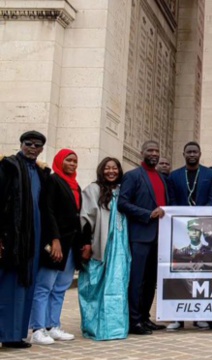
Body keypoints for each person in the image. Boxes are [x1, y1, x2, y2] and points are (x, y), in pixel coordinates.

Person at [0, 131, 51, 349]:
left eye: (37, 145)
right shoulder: (8, 167)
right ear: (21, 144)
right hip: (12, 236)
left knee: (26, 284)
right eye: (28, 144)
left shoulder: (41, 173)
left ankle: (15, 335)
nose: (32, 147)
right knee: (8, 284)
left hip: (34, 237)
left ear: (41, 149)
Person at [30, 149, 83, 345]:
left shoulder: (74, 185)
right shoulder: (53, 181)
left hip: (70, 244)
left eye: (75, 161)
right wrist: (55, 239)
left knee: (60, 287)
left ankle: (53, 326)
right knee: (44, 286)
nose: (72, 164)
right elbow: (48, 210)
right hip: (56, 244)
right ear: (60, 161)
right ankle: (37, 328)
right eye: (68, 160)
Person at [118, 140, 169, 335]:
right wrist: (147, 214)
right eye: (150, 150)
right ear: (142, 153)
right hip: (140, 235)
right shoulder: (132, 176)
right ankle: (133, 320)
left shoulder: (161, 178)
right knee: (137, 279)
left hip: (159, 237)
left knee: (150, 281)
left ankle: (145, 317)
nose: (154, 154)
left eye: (157, 151)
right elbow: (123, 203)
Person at [78, 157, 131, 341]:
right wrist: (86, 243)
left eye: (115, 168)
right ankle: (94, 326)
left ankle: (116, 327)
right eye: (107, 168)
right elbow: (85, 218)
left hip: (121, 245)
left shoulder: (123, 190)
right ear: (101, 170)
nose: (111, 171)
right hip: (100, 243)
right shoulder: (93, 189)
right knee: (94, 284)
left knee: (118, 283)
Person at [166, 141, 212, 330]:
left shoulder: (210, 175)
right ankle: (177, 317)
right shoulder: (174, 176)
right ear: (184, 154)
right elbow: (171, 201)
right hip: (180, 229)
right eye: (189, 152)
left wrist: (200, 218)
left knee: (202, 272)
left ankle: (200, 315)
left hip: (203, 229)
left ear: (200, 153)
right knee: (179, 272)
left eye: (195, 151)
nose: (192, 154)